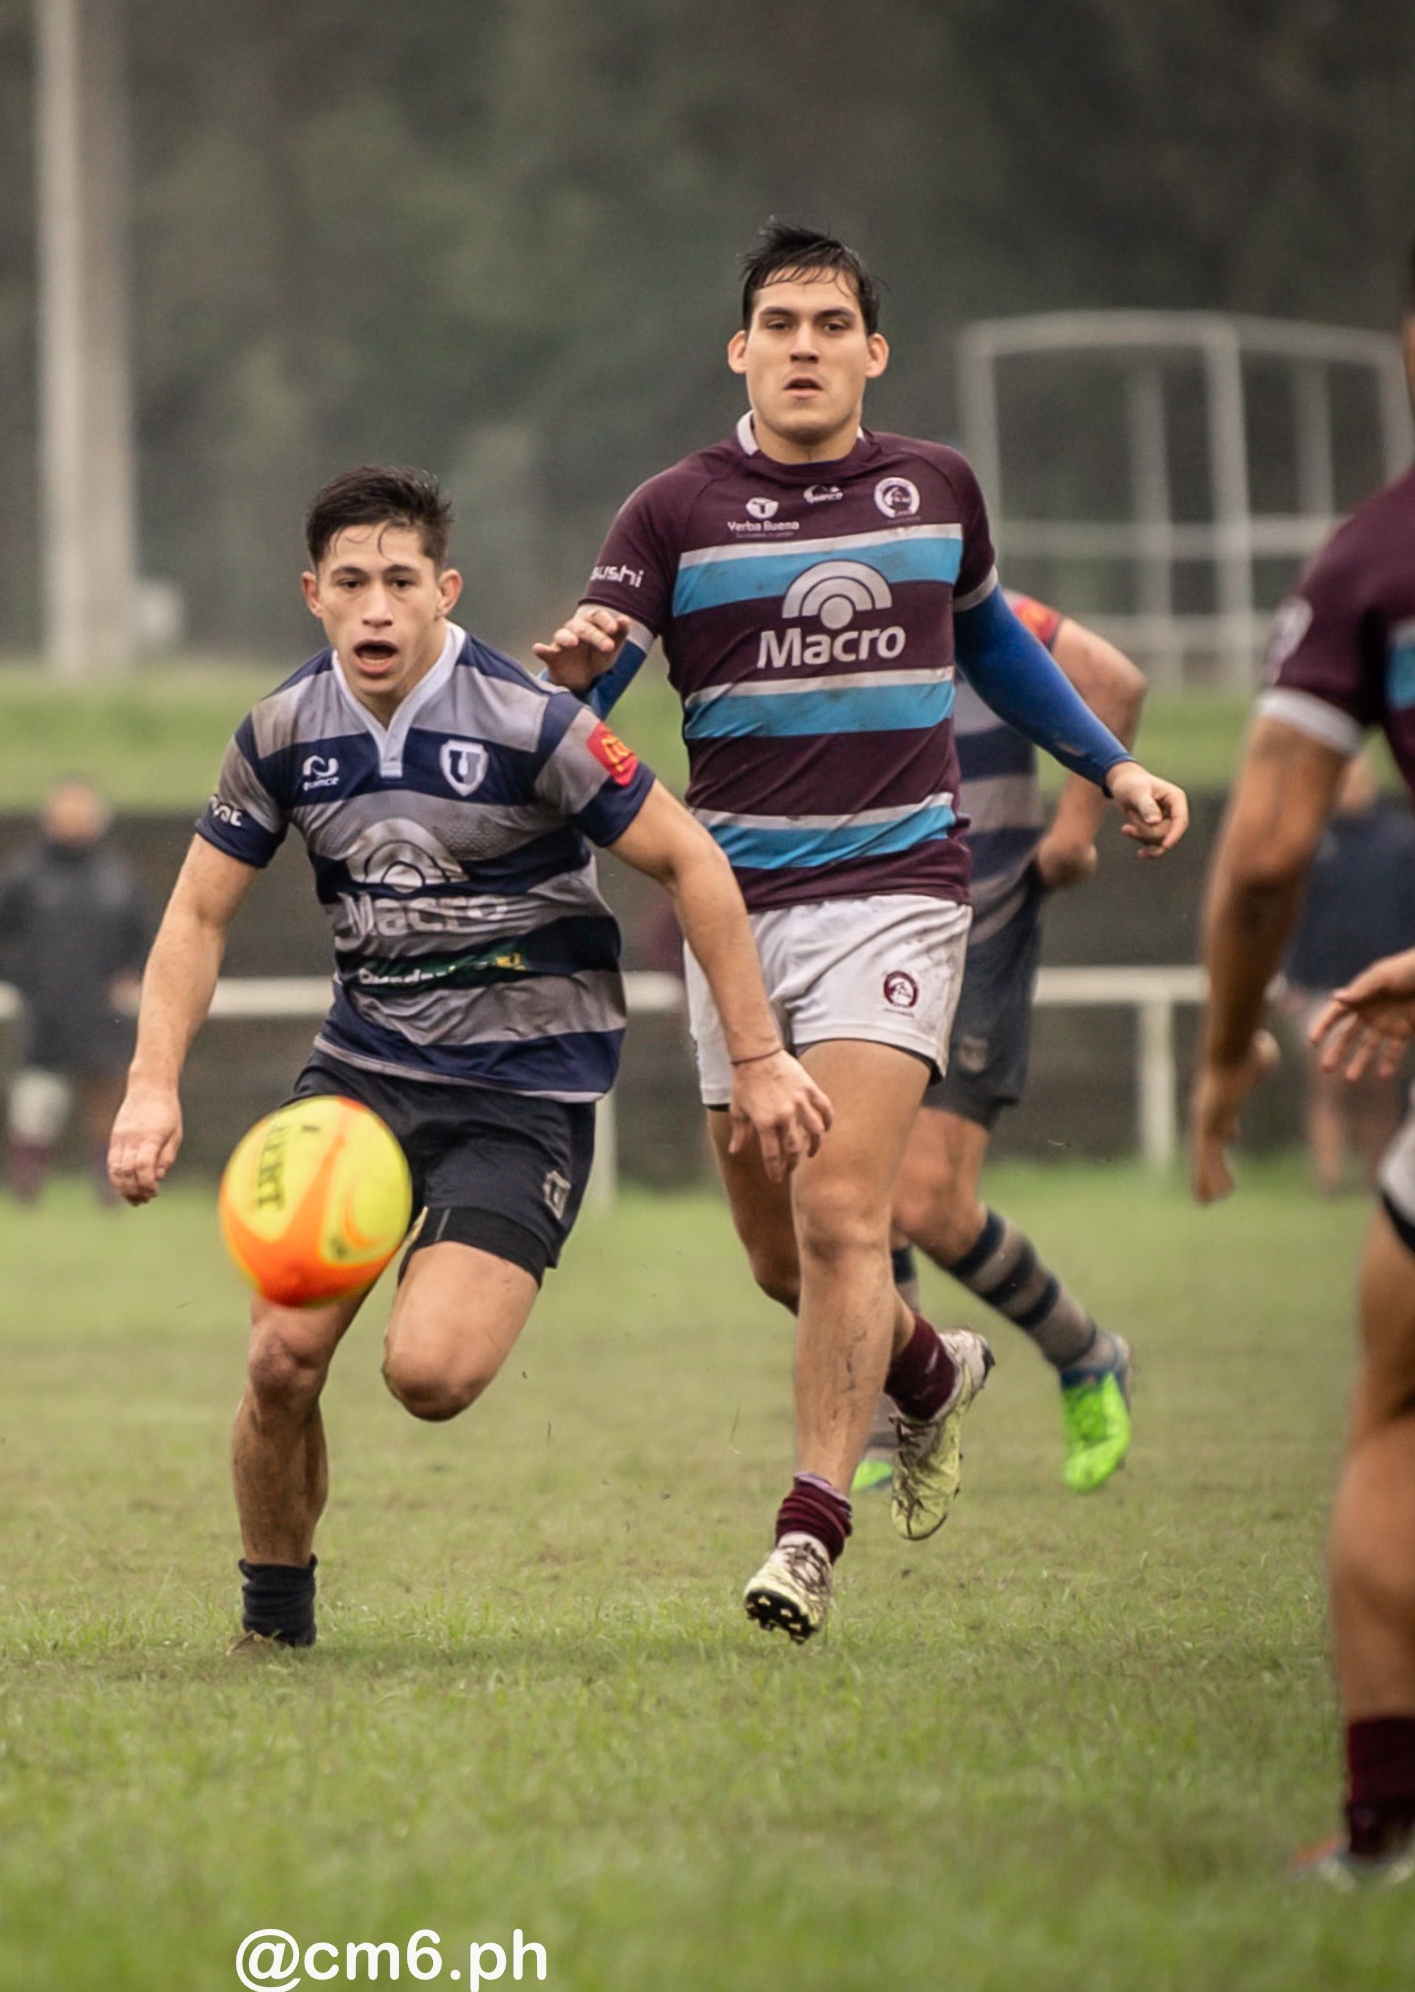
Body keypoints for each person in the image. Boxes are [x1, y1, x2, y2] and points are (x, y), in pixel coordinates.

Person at [536, 222, 1188, 1641]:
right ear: (741, 349)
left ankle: (808, 1534)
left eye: (833, 324)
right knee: (780, 1256)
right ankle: (932, 1374)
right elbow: (598, 703)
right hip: (734, 911)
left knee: (847, 1216)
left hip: (901, 889)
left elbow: (995, 644)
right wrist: (579, 680)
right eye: (781, 323)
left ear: (872, 352)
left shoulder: (935, 486)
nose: (806, 346)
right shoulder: (670, 512)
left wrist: (1110, 767)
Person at [108, 464, 832, 1654]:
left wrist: (756, 1056)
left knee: (429, 1375)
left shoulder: (532, 721)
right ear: (313, 595)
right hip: (363, 1075)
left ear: (446, 590)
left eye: (401, 581)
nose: (377, 607)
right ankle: (271, 1628)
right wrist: (149, 1085)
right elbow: (194, 918)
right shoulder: (282, 731)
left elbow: (693, 860)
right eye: (351, 583)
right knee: (282, 1357)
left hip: (520, 1094)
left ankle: (446, 1261)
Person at [1191, 239, 1415, 1885]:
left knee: (1393, 1415)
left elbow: (1261, 853)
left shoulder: (1372, 565)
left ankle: (1381, 1829)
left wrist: (1219, 1059)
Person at [857, 596, 1146, 1496]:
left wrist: (1072, 831)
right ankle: (888, 1417)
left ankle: (1088, 1353)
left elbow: (1115, 679)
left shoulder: (956, 590)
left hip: (979, 910)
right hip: (857, 917)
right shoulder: (798, 594)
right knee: (854, 1182)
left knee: (929, 1200)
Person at [0, 779, 151, 1203]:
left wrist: (131, 975)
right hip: (47, 1016)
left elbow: (148, 937)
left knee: (106, 1101)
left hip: (104, 1014)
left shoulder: (117, 877)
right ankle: (26, 1187)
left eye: (83, 814)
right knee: (35, 1109)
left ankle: (112, 1187)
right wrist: (24, 980)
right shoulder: (26, 874)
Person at [1279, 756, 1415, 1195]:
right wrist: (1294, 979)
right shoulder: (1315, 840)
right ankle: (1330, 1180)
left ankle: (1382, 1181)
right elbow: (1298, 915)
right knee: (1328, 1080)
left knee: (1379, 1086)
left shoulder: (1400, 841)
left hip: (1389, 990)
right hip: (1326, 987)